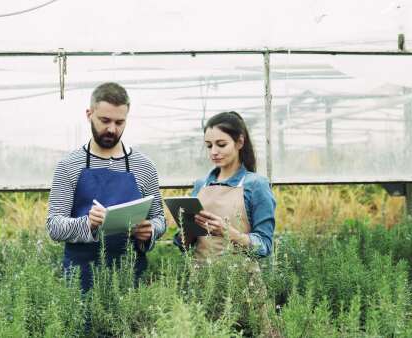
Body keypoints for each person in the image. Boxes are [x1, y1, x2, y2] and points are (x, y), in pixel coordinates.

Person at [46, 82, 166, 292]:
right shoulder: (69, 165)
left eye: (120, 122)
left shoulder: (144, 166)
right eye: (105, 120)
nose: (112, 129)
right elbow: (54, 226)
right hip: (81, 280)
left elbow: (159, 218)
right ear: (89, 114)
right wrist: (88, 224)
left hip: (130, 279)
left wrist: (150, 230)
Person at [174, 111, 276, 261]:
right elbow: (185, 246)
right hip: (200, 279)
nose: (214, 152)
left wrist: (227, 232)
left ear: (240, 142)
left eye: (221, 145)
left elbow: (265, 246)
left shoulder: (256, 185)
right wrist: (186, 233)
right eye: (209, 146)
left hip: (242, 280)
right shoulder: (201, 185)